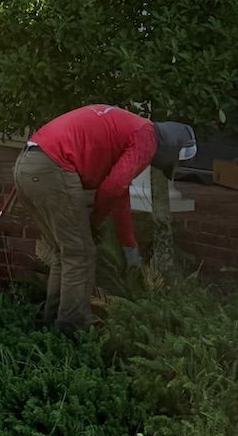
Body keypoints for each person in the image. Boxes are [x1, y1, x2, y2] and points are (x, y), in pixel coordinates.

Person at [12, 106, 197, 333]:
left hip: (28, 165)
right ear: (171, 147)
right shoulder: (146, 138)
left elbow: (119, 195)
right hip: (52, 167)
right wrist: (95, 221)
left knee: (67, 252)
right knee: (80, 253)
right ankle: (72, 329)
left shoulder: (133, 128)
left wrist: (130, 249)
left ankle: (50, 325)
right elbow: (111, 189)